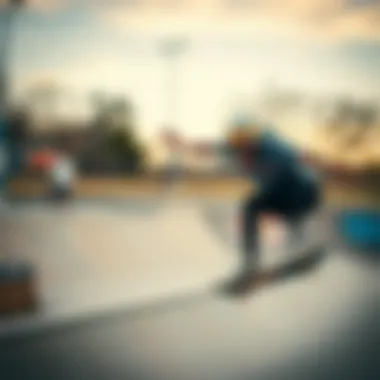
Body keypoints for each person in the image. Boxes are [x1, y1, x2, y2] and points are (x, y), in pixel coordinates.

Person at [220, 117, 322, 295]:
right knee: (251, 206)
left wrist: (270, 140)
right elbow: (211, 148)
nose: (242, 153)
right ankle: (251, 260)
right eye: (239, 148)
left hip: (305, 193)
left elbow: (294, 158)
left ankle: (299, 238)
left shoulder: (270, 146)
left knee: (287, 191)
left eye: (245, 146)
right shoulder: (237, 151)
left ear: (251, 140)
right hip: (279, 194)